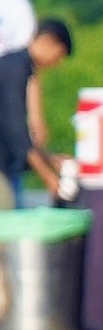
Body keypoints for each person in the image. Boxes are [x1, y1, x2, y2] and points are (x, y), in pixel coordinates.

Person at [0, 18, 73, 207]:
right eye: (59, 55)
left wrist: (49, 159)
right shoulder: (15, 70)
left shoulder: (15, 65)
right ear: (51, 42)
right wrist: (48, 177)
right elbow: (16, 132)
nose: (56, 63)